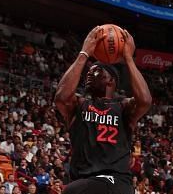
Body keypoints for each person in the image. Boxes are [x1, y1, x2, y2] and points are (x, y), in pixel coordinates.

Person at [55, 26, 152, 194]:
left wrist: (128, 58)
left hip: (115, 181)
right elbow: (61, 98)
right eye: (89, 71)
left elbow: (145, 101)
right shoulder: (79, 104)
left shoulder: (123, 107)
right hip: (86, 182)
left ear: (111, 81)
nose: (90, 74)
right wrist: (84, 53)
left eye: (97, 71)